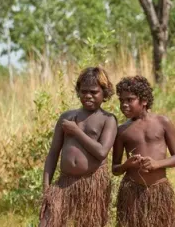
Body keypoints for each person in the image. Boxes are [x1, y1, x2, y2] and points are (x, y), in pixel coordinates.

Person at [40, 67, 117, 227]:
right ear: (78, 92)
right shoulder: (66, 117)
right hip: (64, 183)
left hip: (92, 183)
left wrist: (76, 131)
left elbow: (102, 152)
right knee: (47, 223)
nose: (88, 96)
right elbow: (53, 153)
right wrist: (46, 189)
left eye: (94, 92)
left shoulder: (107, 119)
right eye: (83, 91)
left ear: (104, 93)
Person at [112, 75, 175, 227]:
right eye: (121, 101)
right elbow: (115, 169)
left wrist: (157, 164)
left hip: (159, 190)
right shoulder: (122, 131)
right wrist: (127, 165)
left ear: (144, 100)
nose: (124, 104)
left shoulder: (162, 122)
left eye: (129, 100)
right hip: (131, 191)